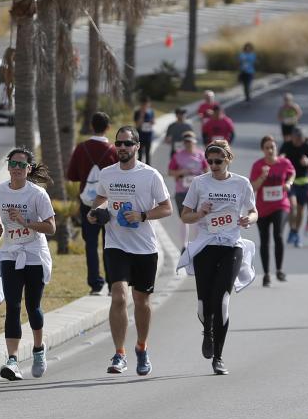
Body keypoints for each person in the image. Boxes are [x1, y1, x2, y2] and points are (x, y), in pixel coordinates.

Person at [87, 126, 172, 376]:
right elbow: (100, 199)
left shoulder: (150, 175)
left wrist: (143, 215)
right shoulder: (107, 174)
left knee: (141, 301)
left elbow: (167, 208)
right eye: (119, 144)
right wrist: (96, 213)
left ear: (136, 147)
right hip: (116, 244)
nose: (122, 148)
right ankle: (119, 353)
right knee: (119, 296)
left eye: (127, 144)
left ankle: (142, 348)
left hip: (145, 248)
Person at [179, 140, 258, 375]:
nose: (213, 165)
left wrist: (248, 220)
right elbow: (185, 216)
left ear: (228, 159)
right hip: (206, 246)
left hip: (231, 246)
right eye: (209, 161)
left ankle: (219, 358)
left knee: (222, 300)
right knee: (204, 305)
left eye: (218, 161)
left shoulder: (242, 183)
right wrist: (200, 213)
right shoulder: (199, 183)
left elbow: (254, 211)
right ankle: (208, 332)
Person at [0, 148, 56, 381]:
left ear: (28, 169)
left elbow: (51, 227)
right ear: (8, 167)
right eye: (13, 164)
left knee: (32, 306)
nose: (16, 169)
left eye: (21, 165)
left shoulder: (37, 194)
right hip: (10, 253)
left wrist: (25, 221)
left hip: (34, 253)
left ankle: (38, 350)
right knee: (13, 306)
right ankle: (13, 360)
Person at [66, 111, 118, 295]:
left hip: (87, 202)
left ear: (91, 125)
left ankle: (95, 284)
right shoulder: (113, 151)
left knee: (90, 244)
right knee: (109, 243)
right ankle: (113, 284)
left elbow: (71, 175)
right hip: (109, 203)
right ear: (108, 127)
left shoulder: (81, 148)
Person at [250, 135, 295, 287]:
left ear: (276, 148)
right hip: (263, 207)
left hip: (281, 205)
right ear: (263, 150)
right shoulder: (258, 165)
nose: (270, 150)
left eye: (272, 147)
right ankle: (266, 274)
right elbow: (253, 187)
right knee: (265, 240)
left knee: (279, 234)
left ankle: (280, 270)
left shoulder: (284, 163)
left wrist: (288, 183)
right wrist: (263, 177)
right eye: (267, 147)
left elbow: (292, 173)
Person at [167, 131, 209, 251]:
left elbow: (207, 171)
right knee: (183, 217)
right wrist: (181, 172)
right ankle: (184, 245)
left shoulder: (201, 155)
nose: (188, 144)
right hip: (182, 190)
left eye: (190, 142)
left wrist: (199, 175)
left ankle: (195, 243)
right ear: (183, 143)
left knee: (197, 216)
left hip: (197, 191)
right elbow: (170, 172)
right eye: (186, 142)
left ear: (194, 142)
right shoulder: (177, 156)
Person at [280, 127, 308, 248]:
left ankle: (295, 232)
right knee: (293, 206)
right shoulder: (286, 145)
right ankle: (292, 229)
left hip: (304, 182)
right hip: (290, 182)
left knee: (301, 211)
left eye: (300, 139)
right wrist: (281, 158)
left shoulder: (307, 147)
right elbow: (279, 157)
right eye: (296, 138)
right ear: (292, 137)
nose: (298, 141)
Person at [133, 96, 155, 165]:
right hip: (140, 136)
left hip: (148, 135)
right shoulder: (137, 112)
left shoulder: (151, 111)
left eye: (147, 104)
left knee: (148, 154)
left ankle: (148, 168)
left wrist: (152, 122)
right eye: (143, 104)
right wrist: (142, 115)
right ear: (141, 104)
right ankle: (139, 168)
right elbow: (137, 125)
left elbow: (153, 122)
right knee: (140, 154)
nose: (145, 106)